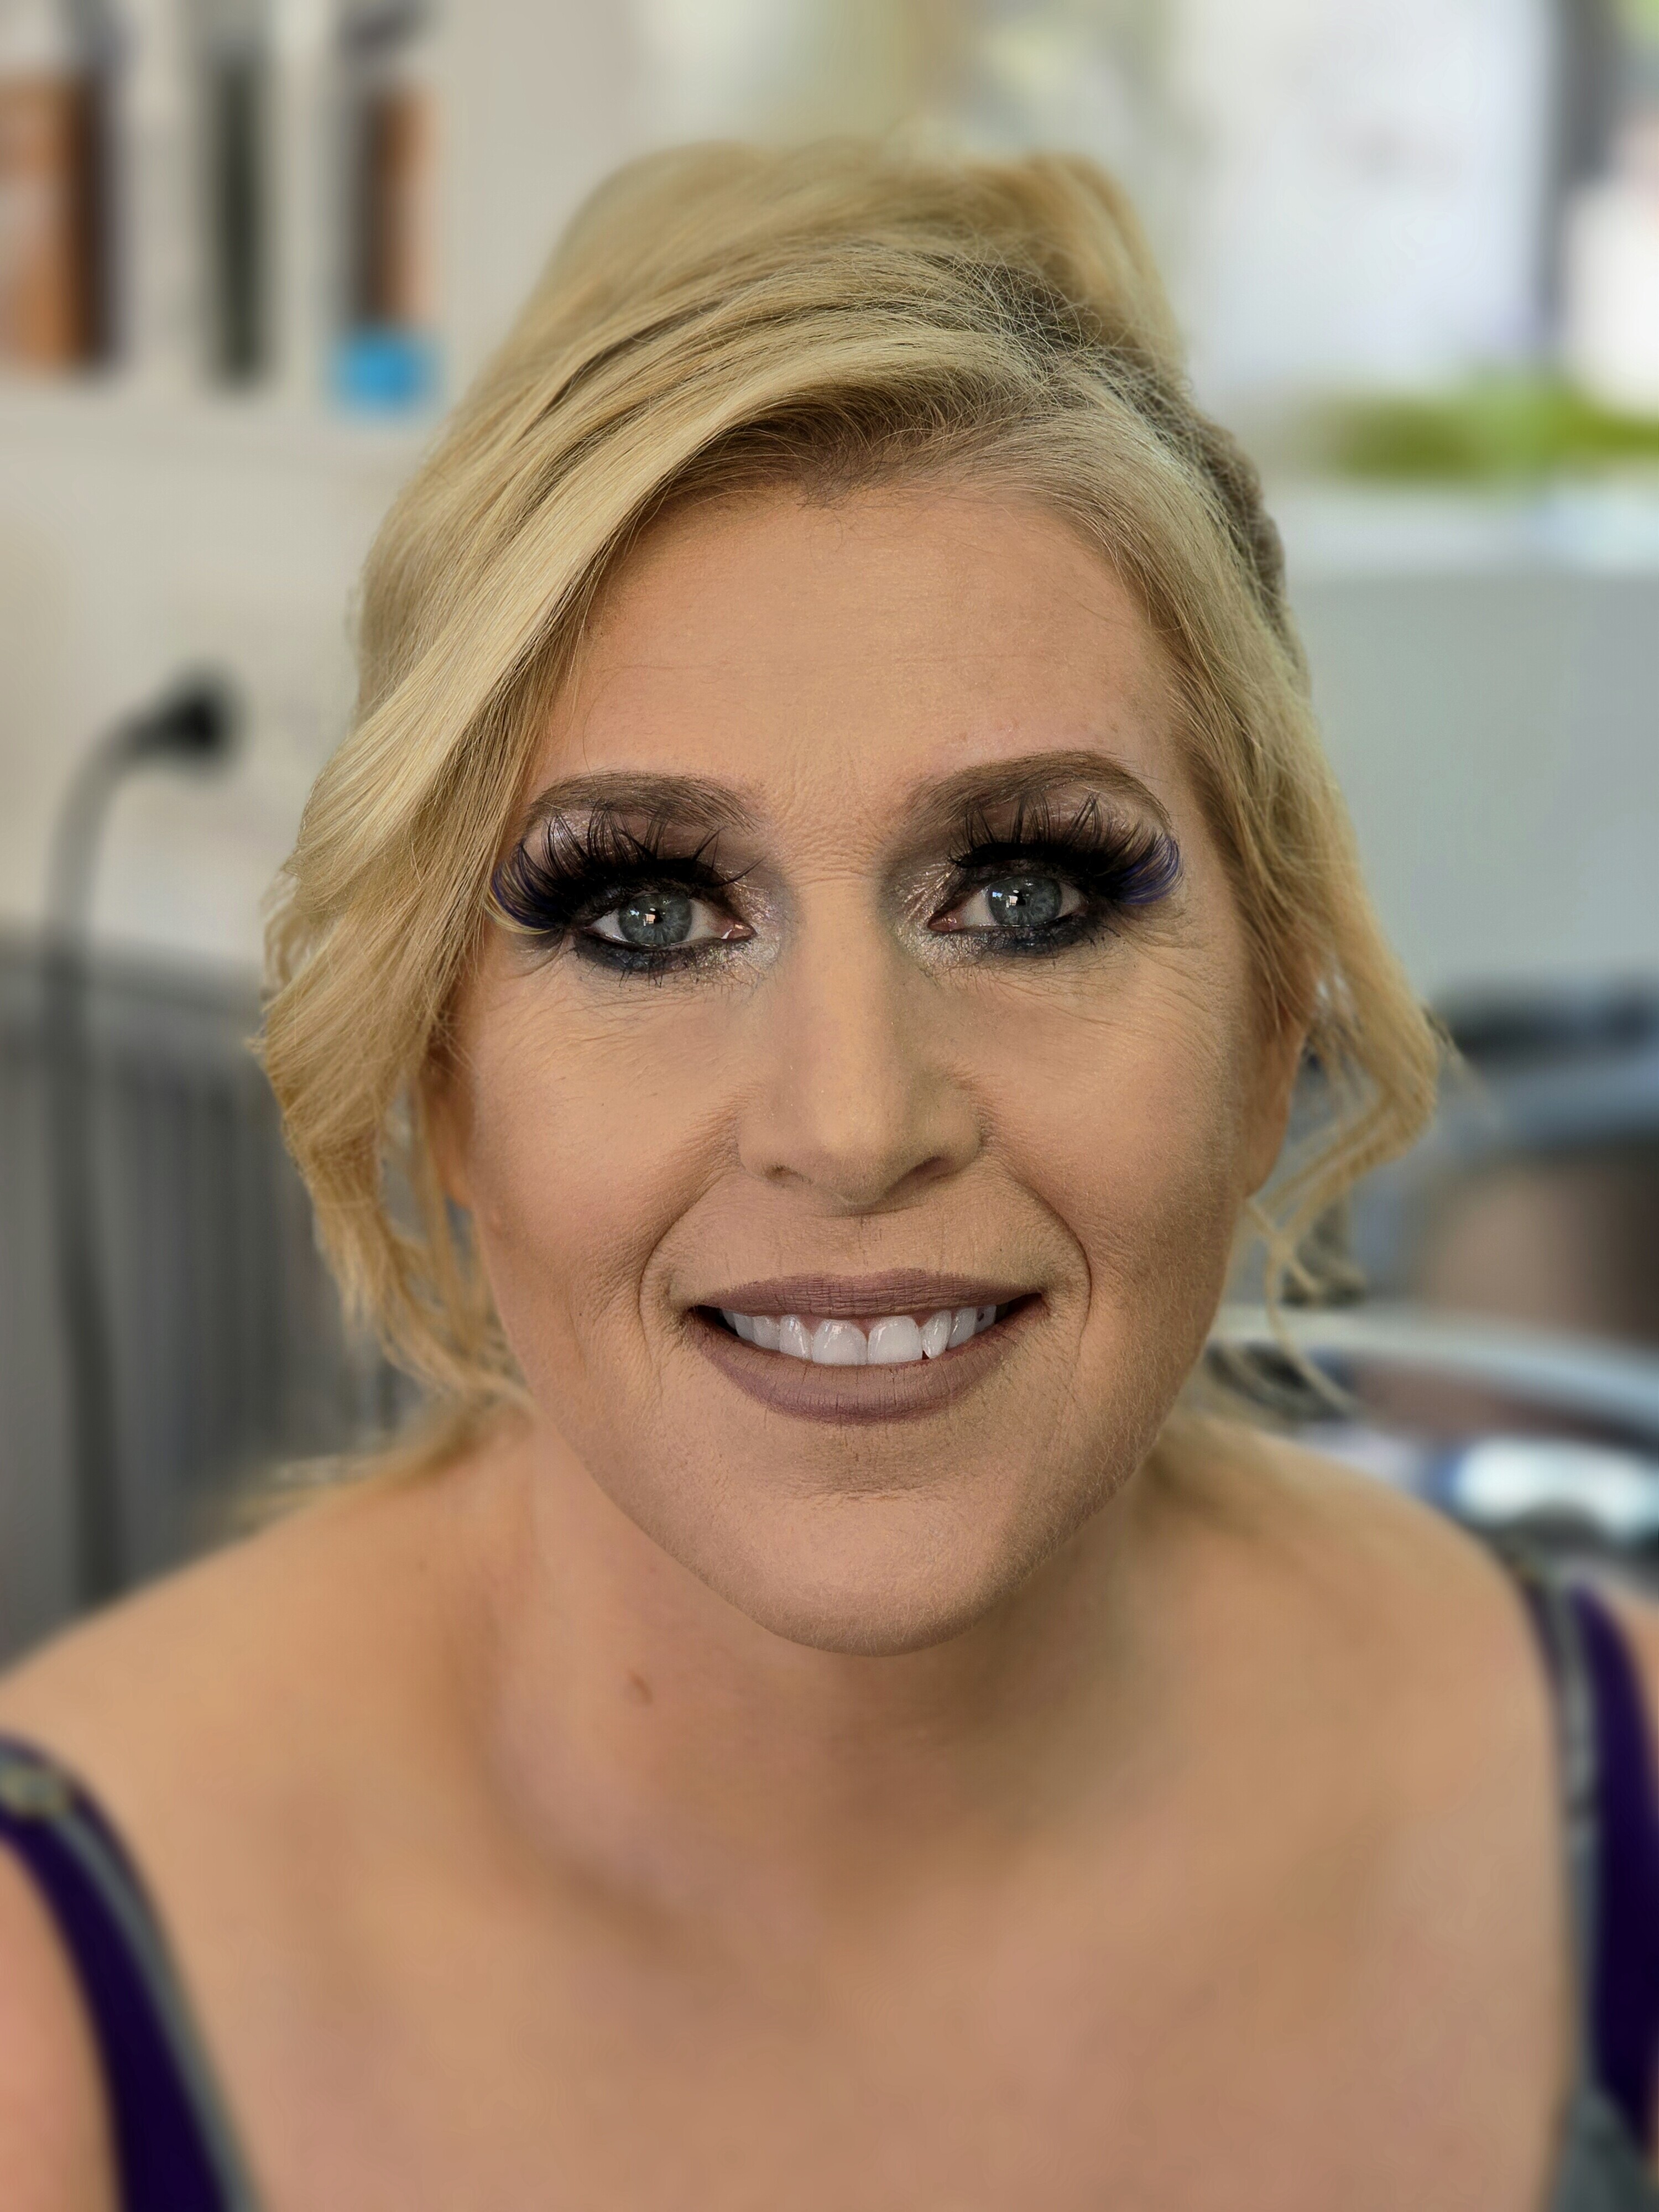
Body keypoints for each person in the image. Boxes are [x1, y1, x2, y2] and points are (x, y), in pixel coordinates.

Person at [2, 141, 1656, 2212]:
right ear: (442, 1079)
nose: (857, 1122)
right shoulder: (50, 2022)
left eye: (1028, 892)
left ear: (1266, 1034)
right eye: (645, 915)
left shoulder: (1621, 1818)